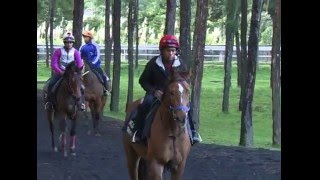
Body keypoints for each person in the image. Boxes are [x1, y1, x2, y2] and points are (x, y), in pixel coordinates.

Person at [131, 34, 202, 145]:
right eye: (168, 50)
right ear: (161, 51)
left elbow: (183, 83)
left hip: (175, 96)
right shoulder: (153, 64)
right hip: (156, 94)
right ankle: (138, 132)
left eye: (173, 50)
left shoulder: (181, 65)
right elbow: (143, 81)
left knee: (189, 106)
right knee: (146, 103)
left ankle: (193, 133)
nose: (171, 53)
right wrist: (154, 91)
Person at [44, 32, 85, 110]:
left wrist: (78, 72)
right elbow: (53, 64)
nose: (69, 44)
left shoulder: (76, 52)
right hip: (61, 72)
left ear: (73, 43)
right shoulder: (58, 51)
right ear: (64, 42)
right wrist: (60, 71)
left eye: (70, 42)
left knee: (82, 87)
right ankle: (49, 103)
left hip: (72, 74)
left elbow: (79, 64)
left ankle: (81, 103)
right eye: (67, 42)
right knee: (51, 84)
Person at [79, 30, 110, 96]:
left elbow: (97, 55)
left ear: (90, 38)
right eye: (84, 37)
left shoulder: (95, 45)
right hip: (84, 65)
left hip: (95, 65)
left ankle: (105, 89)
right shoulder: (82, 46)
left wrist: (93, 62)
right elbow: (79, 56)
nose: (84, 39)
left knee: (103, 75)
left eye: (86, 37)